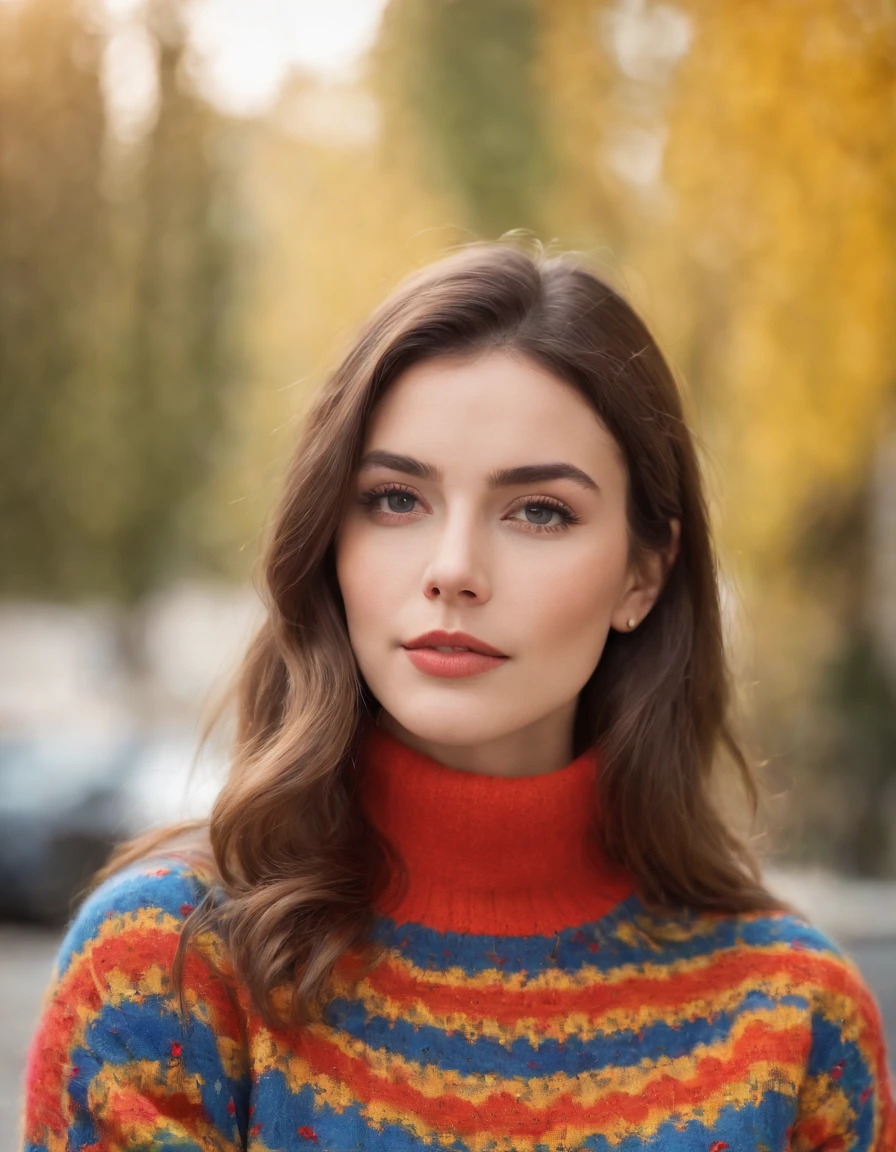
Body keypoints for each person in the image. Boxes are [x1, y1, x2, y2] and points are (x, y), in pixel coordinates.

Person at [20, 242, 896, 1152]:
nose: (453, 571)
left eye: (539, 511)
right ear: (330, 537)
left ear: (644, 573)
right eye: (397, 499)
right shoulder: (166, 970)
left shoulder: (794, 1022)